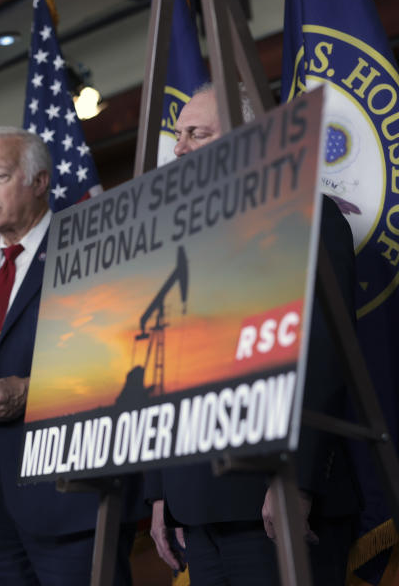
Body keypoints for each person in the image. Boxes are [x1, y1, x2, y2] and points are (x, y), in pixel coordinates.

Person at [147, 84, 360, 585]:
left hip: (272, 500)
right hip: (196, 509)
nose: (178, 148)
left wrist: (297, 482)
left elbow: (324, 357)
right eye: (179, 135)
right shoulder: (173, 239)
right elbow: (159, 364)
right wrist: (160, 493)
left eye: (196, 133)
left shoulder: (305, 214)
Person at [0, 127, 139, 586]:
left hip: (68, 494)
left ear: (40, 181)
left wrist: (33, 391)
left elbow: (121, 357)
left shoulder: (91, 250)